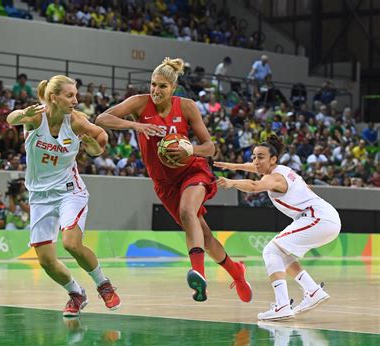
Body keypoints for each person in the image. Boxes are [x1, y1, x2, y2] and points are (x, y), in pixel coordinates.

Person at [96, 57, 252, 303]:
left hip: (193, 171)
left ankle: (198, 275)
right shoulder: (139, 103)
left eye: (162, 86)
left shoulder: (187, 107)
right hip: (165, 183)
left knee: (188, 211)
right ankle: (237, 273)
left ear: (173, 89)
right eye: (153, 84)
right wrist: (137, 126)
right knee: (205, 235)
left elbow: (210, 148)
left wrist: (190, 150)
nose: (156, 90)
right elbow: (102, 119)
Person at [6, 74, 121, 317]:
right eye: (70, 95)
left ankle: (103, 284)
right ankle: (76, 293)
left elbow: (102, 138)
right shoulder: (36, 117)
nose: (75, 100)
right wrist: (23, 115)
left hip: (70, 192)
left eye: (75, 95)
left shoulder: (77, 122)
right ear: (53, 98)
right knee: (46, 260)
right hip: (39, 196)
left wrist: (94, 150)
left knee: (71, 243)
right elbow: (10, 119)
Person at [215, 134, 341, 321]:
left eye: (260, 157)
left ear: (273, 159)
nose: (255, 161)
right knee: (282, 254)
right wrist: (234, 166)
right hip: (323, 218)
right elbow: (255, 169)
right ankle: (313, 290)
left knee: (270, 251)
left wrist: (233, 182)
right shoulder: (280, 170)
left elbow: (253, 185)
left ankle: (282, 305)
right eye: (254, 156)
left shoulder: (274, 178)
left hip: (317, 218)